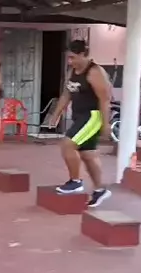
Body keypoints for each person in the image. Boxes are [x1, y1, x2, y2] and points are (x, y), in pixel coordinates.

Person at [48, 39, 113, 208]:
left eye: (73, 57)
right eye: (68, 58)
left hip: (93, 116)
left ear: (83, 54)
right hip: (79, 116)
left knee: (68, 144)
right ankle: (100, 190)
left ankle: (75, 181)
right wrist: (56, 115)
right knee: (88, 155)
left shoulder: (95, 72)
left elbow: (105, 99)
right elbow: (66, 94)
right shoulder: (73, 71)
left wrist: (106, 124)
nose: (70, 62)